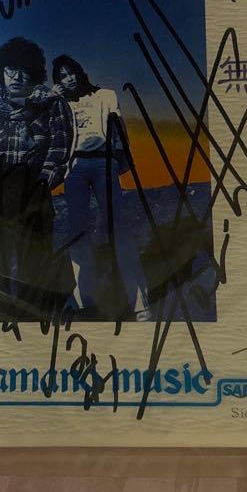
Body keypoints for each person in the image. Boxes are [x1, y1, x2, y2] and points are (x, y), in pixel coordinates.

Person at [0, 37, 75, 322]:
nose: (17, 76)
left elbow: (60, 147)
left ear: (34, 72)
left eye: (24, 70)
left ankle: (34, 330)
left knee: (35, 265)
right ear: (1, 71)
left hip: (33, 189)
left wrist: (43, 181)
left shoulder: (52, 104)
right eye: (10, 69)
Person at [53, 54, 151, 320]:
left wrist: (119, 163)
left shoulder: (105, 95)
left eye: (71, 72)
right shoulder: (61, 103)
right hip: (74, 168)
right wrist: (53, 98)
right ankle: (83, 302)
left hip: (103, 163)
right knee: (78, 232)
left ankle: (140, 303)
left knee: (118, 227)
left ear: (80, 72)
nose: (68, 79)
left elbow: (120, 131)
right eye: (61, 76)